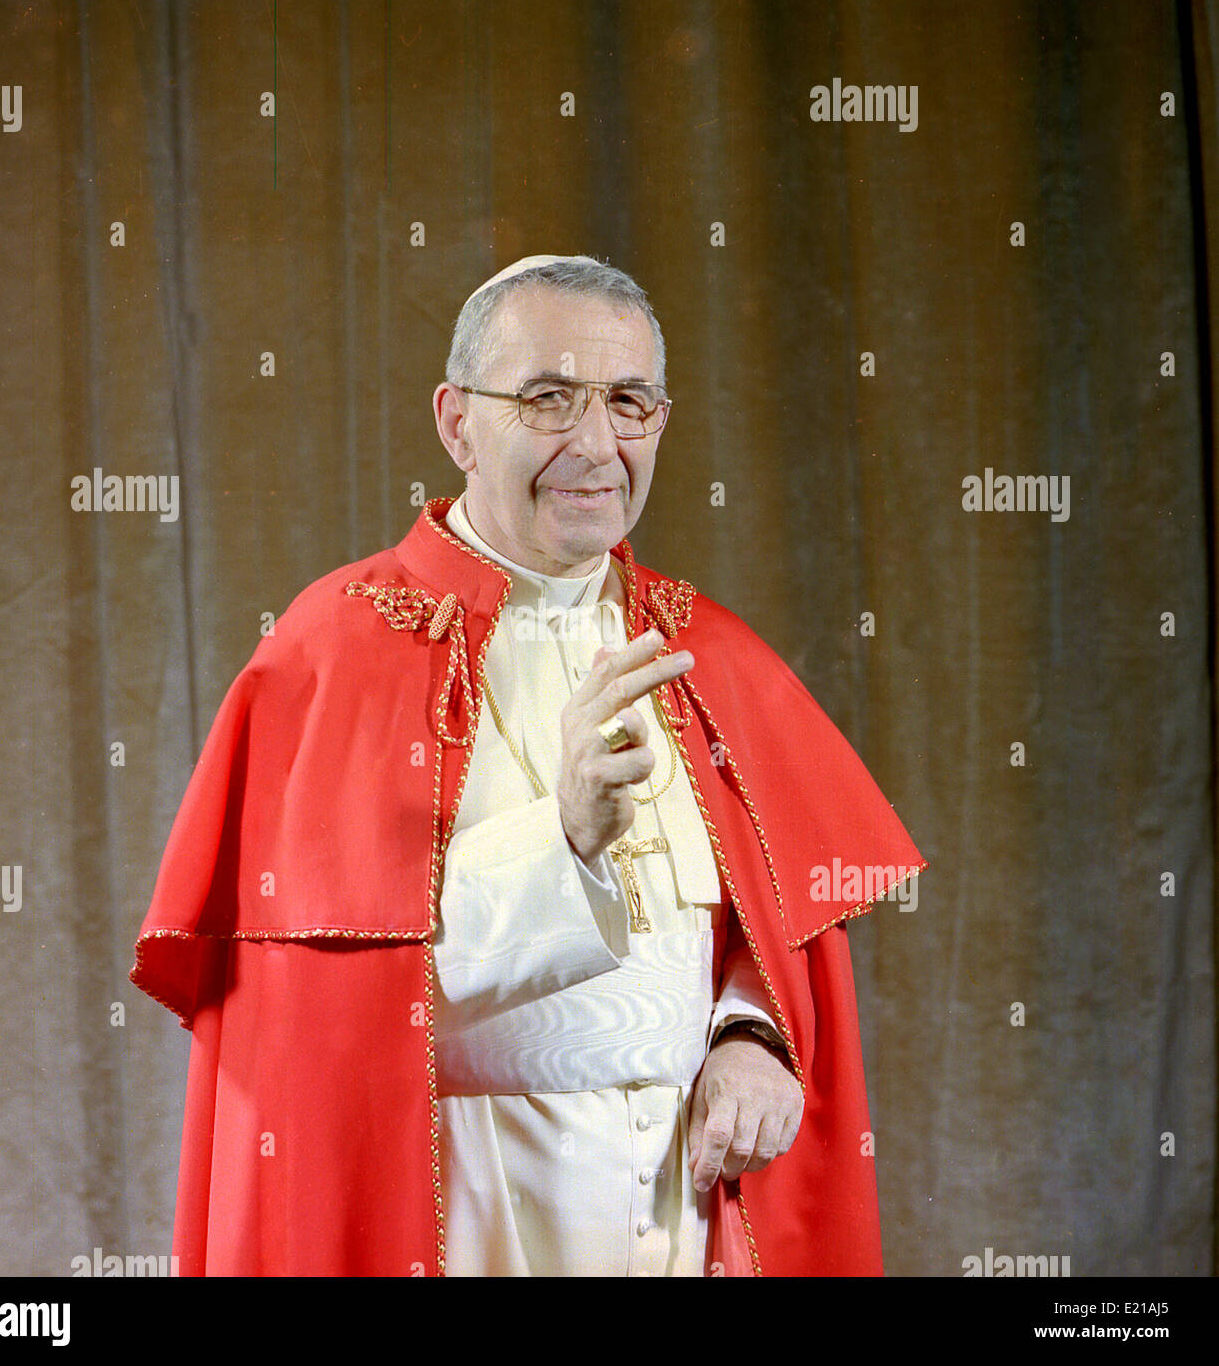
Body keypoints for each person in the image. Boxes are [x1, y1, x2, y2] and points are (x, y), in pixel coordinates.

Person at [132, 254, 926, 1277]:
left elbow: (773, 933)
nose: (596, 444)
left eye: (629, 402)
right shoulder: (328, 651)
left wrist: (754, 1031)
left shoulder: (710, 652)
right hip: (458, 1202)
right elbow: (312, 998)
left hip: (683, 1209)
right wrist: (566, 839)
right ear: (458, 421)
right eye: (548, 398)